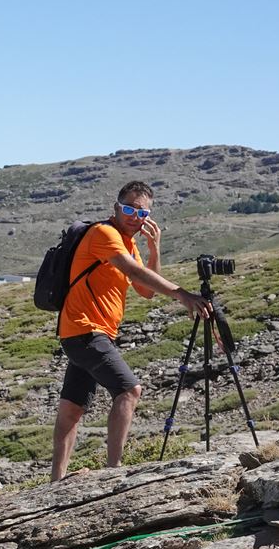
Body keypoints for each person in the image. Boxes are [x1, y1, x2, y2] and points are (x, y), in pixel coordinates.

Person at [51, 180, 212, 481]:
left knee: (72, 409)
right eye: (129, 208)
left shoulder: (130, 243)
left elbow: (145, 289)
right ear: (116, 207)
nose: (134, 216)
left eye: (142, 213)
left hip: (87, 332)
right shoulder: (105, 233)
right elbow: (134, 273)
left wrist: (154, 248)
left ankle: (56, 482)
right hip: (86, 330)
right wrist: (183, 294)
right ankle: (114, 472)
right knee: (128, 390)